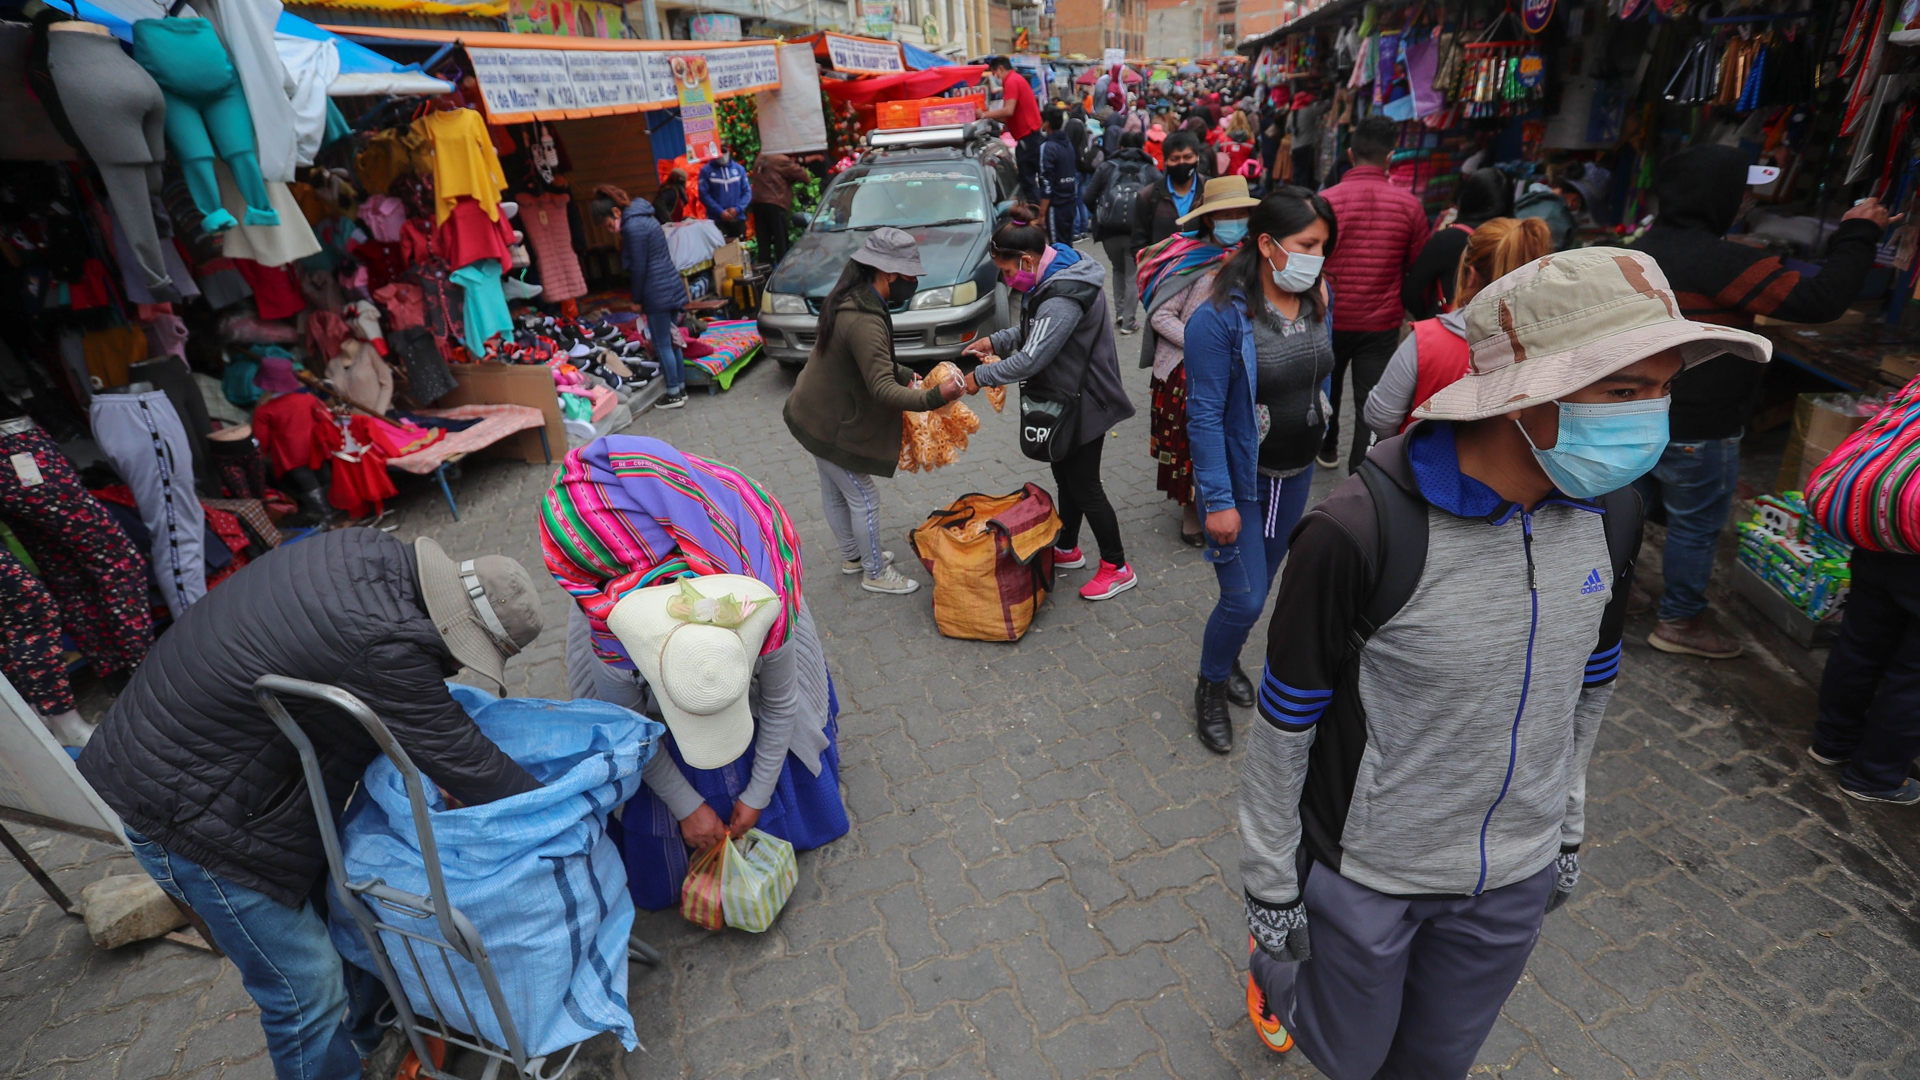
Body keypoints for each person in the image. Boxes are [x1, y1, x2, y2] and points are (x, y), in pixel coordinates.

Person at [1240, 248, 1772, 1075]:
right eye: (1624, 392)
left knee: (1434, 1064)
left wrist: (1565, 827)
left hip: (1512, 879)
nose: (1652, 418)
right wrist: (1272, 885)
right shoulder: (1354, 533)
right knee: (1347, 1056)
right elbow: (1285, 719)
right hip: (1369, 874)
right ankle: (1273, 971)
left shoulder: (1617, 513)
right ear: (1525, 394)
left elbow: (1589, 688)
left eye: (1664, 388)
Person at [80, 529, 548, 1080]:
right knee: (306, 990)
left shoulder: (370, 551)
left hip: (208, 765)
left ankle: (376, 1041)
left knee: (351, 913)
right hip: (188, 813)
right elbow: (464, 761)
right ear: (455, 626)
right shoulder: (386, 645)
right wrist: (558, 809)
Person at [545, 435, 851, 907]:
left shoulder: (761, 591)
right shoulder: (608, 617)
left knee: (771, 760)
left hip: (734, 578)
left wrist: (756, 795)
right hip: (629, 580)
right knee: (664, 864)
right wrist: (687, 806)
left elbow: (781, 700)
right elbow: (630, 729)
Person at [1629, 145, 1894, 658]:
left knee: (1626, 510)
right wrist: (1859, 233)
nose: (1747, 200)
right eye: (1740, 191)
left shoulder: (1637, 250)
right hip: (1699, 427)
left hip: (1634, 413)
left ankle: (1619, 595)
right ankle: (1680, 621)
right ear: (1719, 197)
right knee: (1695, 526)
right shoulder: (1724, 262)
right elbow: (1819, 301)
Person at [1182, 188, 1335, 754]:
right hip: (1240, 482)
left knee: (1263, 585)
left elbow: (1320, 370)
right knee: (1244, 598)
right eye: (1307, 244)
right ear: (1267, 244)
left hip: (1293, 476)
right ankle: (1210, 684)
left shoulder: (1319, 294)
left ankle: (1226, 661)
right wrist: (1217, 501)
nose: (1318, 256)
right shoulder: (1218, 320)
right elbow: (1202, 416)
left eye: (1323, 245)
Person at [962, 206, 1138, 600]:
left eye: (1008, 273)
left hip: (1086, 399)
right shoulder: (1052, 272)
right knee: (1065, 475)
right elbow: (1032, 331)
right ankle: (1067, 547)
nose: (1009, 281)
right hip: (1066, 395)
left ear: (1025, 260)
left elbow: (1032, 357)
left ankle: (1117, 565)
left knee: (1086, 485)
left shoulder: (1062, 295)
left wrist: (979, 378)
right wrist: (996, 341)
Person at [783, 228, 963, 595]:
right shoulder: (864, 316)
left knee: (835, 491)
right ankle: (875, 572)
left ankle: (853, 557)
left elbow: (865, 362)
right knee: (863, 497)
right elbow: (882, 390)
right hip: (830, 424)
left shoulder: (851, 297)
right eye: (910, 276)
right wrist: (934, 397)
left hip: (811, 413)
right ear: (889, 273)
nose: (912, 282)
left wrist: (902, 372)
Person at [1137, 177, 1253, 547]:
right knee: (1191, 445)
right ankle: (1192, 516)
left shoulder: (1254, 257)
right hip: (1185, 371)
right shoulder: (1190, 260)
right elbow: (1161, 316)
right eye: (1225, 215)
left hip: (1239, 367)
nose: (1234, 221)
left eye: (1240, 214)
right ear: (1209, 219)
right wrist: (1204, 344)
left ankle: (1226, 501)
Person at [1367, 216, 1555, 438]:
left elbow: (1380, 416)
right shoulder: (1556, 341)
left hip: (1427, 467)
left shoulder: (1426, 341)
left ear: (1471, 274)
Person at [1314, 114, 1429, 474]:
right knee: (1372, 402)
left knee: (1326, 390)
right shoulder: (1410, 206)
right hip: (1379, 324)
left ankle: (1326, 447)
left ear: (1350, 154)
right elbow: (1417, 268)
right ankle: (1361, 473)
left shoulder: (1325, 202)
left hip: (1329, 317)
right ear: (1390, 157)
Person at [597, 189, 689, 410]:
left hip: (656, 291)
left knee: (662, 343)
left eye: (609, 225)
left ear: (616, 212)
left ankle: (674, 393)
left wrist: (636, 299)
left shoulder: (632, 227)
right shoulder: (645, 216)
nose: (612, 231)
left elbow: (639, 267)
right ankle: (681, 387)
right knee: (672, 340)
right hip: (669, 285)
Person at [1400, 168, 1514, 320]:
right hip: (1498, 329)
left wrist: (1430, 317)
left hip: (1449, 326)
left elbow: (1411, 292)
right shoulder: (1517, 238)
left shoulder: (1447, 239)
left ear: (1467, 197)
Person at [1083, 127, 1161, 334]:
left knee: (1117, 269)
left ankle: (1119, 313)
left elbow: (1088, 197)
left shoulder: (1107, 167)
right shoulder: (1150, 169)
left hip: (1109, 231)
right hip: (1139, 232)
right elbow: (1161, 199)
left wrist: (1099, 215)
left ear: (1120, 146)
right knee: (1132, 274)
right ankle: (1129, 322)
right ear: (1143, 146)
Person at [1132, 132, 1205, 255]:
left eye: (1187, 157)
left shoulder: (1210, 190)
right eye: (1175, 159)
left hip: (1204, 267)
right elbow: (1139, 244)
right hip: (1163, 270)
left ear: (1197, 158)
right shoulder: (1149, 196)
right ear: (1165, 161)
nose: (1182, 163)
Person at [983, 56, 1043, 202]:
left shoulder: (1011, 81)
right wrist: (990, 116)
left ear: (1000, 69)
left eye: (994, 74)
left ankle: (1036, 215)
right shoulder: (1017, 79)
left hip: (1028, 138)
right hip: (1030, 137)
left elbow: (1008, 111)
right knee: (1029, 181)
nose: (996, 78)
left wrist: (984, 114)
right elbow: (1007, 116)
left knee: (1027, 181)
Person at [749, 150, 812, 267]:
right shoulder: (781, 159)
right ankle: (782, 273)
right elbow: (805, 177)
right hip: (775, 203)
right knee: (781, 242)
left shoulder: (761, 157)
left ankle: (765, 274)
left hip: (758, 203)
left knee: (763, 244)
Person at [1037, 106, 1080, 244]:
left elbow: (1046, 182)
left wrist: (1041, 214)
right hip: (1070, 203)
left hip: (1056, 206)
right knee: (1067, 245)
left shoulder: (1048, 147)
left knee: (1057, 249)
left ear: (1047, 123)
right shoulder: (1067, 144)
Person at [697, 142, 752, 240]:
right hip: (717, 220)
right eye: (718, 151)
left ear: (729, 151)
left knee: (740, 250)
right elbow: (704, 194)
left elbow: (747, 192)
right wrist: (720, 211)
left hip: (737, 219)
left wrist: (737, 209)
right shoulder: (706, 171)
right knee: (722, 253)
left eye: (724, 151)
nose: (721, 155)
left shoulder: (739, 170)